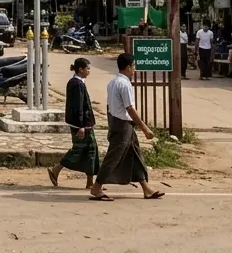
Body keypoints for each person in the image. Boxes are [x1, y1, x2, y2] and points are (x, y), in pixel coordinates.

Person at [91, 53, 163, 201]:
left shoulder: (113, 82)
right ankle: (96, 187)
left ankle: (146, 188)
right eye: (134, 66)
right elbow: (130, 108)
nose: (135, 69)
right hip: (122, 123)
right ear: (129, 67)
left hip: (119, 122)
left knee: (134, 154)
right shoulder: (124, 84)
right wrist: (145, 128)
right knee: (114, 156)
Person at [49, 57, 99, 188]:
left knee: (90, 151)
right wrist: (81, 126)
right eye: (88, 68)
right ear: (80, 69)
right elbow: (78, 107)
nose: (89, 71)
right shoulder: (76, 84)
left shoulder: (77, 83)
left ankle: (90, 182)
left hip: (85, 123)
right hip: (81, 125)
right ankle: (56, 169)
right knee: (79, 150)